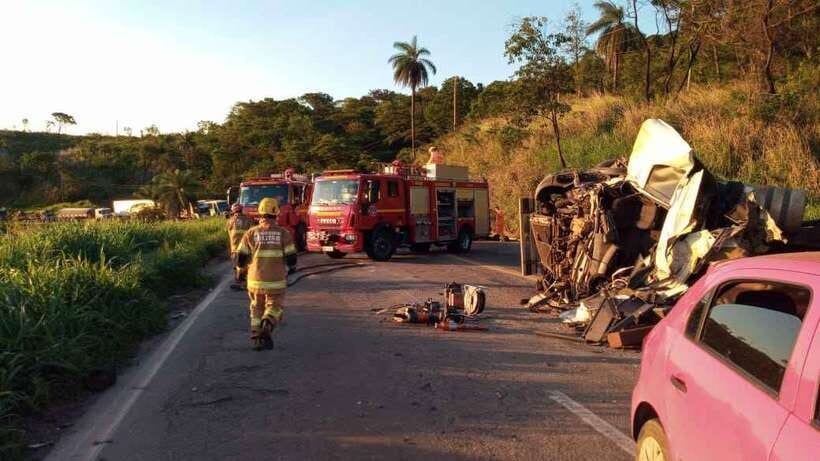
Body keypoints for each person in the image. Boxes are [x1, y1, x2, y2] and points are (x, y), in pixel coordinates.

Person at [236, 198, 297, 350]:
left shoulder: (251, 233)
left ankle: (257, 339)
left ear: (260, 213)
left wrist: (240, 273)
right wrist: (291, 267)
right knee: (274, 306)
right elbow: (291, 259)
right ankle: (267, 323)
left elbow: (241, 258)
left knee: (256, 307)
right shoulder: (284, 233)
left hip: (254, 280)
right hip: (276, 280)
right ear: (276, 213)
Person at [227, 204, 254, 290]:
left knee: (237, 265)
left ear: (233, 211)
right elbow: (252, 233)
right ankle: (247, 282)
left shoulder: (230, 221)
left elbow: (229, 233)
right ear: (242, 210)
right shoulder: (249, 220)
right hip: (246, 247)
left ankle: (240, 282)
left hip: (235, 248)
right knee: (247, 264)